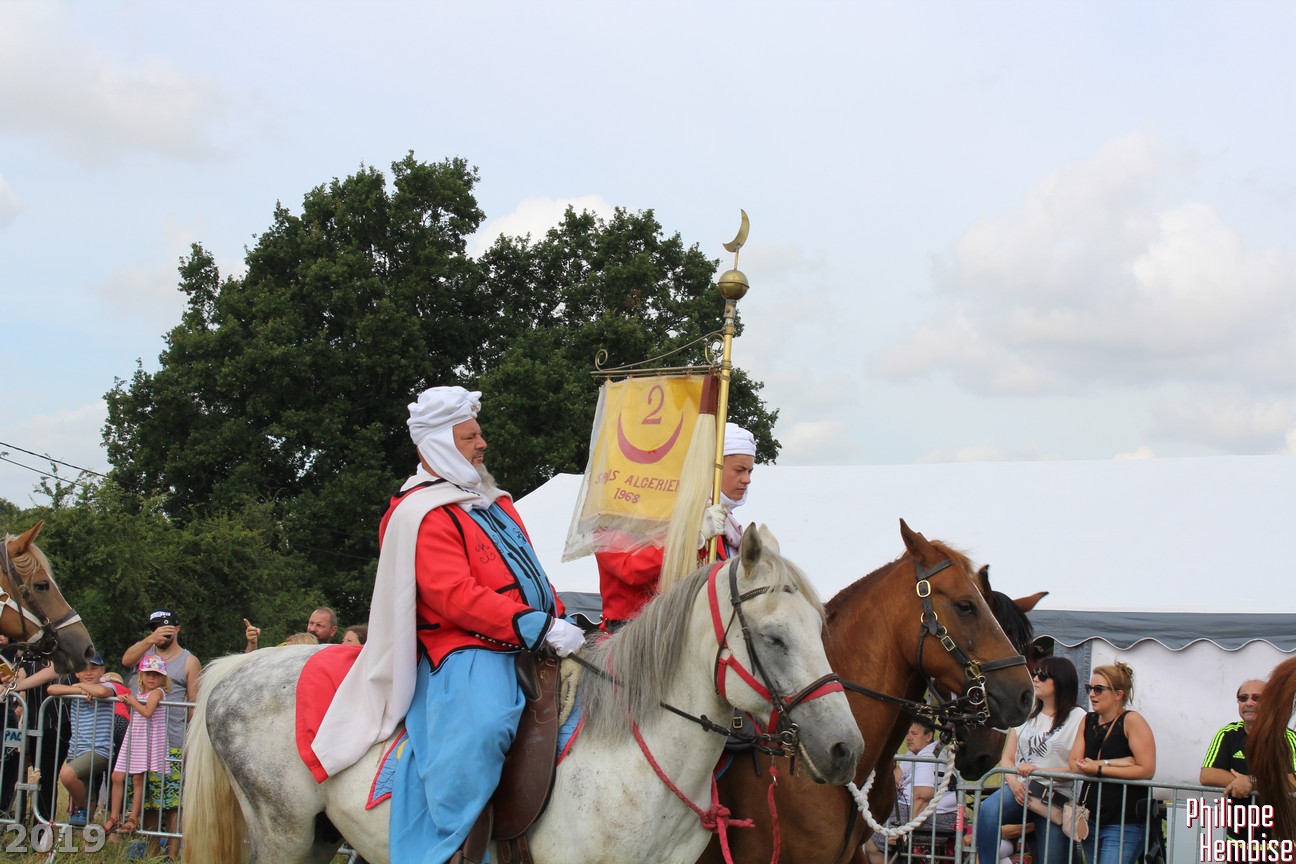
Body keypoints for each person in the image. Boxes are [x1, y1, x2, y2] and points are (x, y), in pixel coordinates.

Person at [312, 385, 583, 864]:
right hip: (463, 649)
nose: (482, 444)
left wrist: (558, 616)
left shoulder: (496, 502)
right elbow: (453, 596)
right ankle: (446, 848)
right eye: (469, 437)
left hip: (529, 637)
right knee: (486, 725)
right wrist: (535, 626)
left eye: (479, 434)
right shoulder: (419, 512)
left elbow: (532, 575)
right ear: (438, 444)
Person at [594, 422, 757, 631]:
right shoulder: (618, 511)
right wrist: (691, 539)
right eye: (739, 470)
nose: (747, 480)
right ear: (709, 467)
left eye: (749, 471)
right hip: (634, 633)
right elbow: (631, 570)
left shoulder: (721, 521)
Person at [975, 656, 1086, 864]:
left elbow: (1076, 768)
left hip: (1053, 796)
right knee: (988, 810)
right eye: (1035, 673)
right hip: (1021, 788)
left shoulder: (1079, 717)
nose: (1035, 679)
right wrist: (1013, 782)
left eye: (1042, 676)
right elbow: (1007, 759)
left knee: (1052, 859)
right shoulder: (1026, 713)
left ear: (1061, 681)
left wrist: (1037, 771)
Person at [121, 608, 202, 859]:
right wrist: (149, 640)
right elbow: (126, 661)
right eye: (156, 627)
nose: (161, 632)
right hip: (142, 742)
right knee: (148, 801)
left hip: (173, 740)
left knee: (173, 802)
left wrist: (191, 743)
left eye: (166, 627)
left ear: (177, 629)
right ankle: (154, 854)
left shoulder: (189, 660)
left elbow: (194, 703)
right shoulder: (145, 655)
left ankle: (173, 856)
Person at [1068, 661, 1156, 864]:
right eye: (1090, 688)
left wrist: (1100, 767)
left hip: (1124, 821)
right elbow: (1074, 763)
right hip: (1090, 817)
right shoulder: (1088, 720)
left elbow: (1146, 769)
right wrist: (1122, 762)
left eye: (1099, 689)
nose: (1092, 694)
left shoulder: (1132, 720)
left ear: (1118, 694)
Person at [1201, 678, 1296, 851]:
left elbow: (1292, 782)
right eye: (1243, 698)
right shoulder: (1228, 734)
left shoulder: (1286, 738)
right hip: (1237, 842)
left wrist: (1252, 782)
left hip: (1280, 842)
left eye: (1256, 698)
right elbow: (1207, 774)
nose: (1249, 703)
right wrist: (1240, 782)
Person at [867, 719, 960, 863]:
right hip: (915, 811)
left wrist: (907, 831)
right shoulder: (916, 753)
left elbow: (922, 798)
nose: (909, 737)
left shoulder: (929, 757)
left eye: (914, 734)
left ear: (928, 736)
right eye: (907, 733)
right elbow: (893, 779)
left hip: (936, 818)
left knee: (871, 839)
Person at [48, 654, 118, 827]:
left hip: (100, 750)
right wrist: (80, 690)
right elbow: (51, 689)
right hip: (76, 749)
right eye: (83, 669)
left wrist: (80, 686)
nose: (88, 673)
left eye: (93, 668)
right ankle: (87, 836)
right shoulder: (76, 690)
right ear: (76, 672)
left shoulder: (108, 685)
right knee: (88, 792)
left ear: (102, 671)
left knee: (67, 775)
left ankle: (81, 808)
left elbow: (101, 692)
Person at [104, 655, 169, 839]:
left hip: (146, 739)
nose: (152, 678)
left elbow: (148, 712)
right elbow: (137, 712)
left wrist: (132, 701)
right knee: (117, 776)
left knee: (138, 778)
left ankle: (133, 818)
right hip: (133, 737)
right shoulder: (140, 694)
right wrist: (127, 701)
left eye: (156, 675)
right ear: (141, 675)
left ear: (163, 678)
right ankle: (114, 816)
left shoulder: (157, 693)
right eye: (148, 674)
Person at [243, 606, 340, 652]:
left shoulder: (335, 655)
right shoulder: (290, 645)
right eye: (311, 623)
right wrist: (252, 643)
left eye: (319, 625)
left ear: (333, 631)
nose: (312, 629)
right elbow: (253, 666)